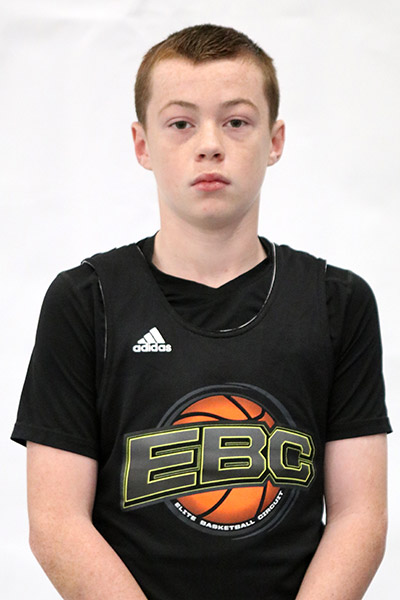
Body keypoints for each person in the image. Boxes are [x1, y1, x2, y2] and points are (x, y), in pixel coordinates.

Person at [12, 23, 391, 600]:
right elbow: (56, 524)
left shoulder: (337, 302)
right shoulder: (85, 301)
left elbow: (359, 517)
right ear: (143, 144)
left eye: (236, 121)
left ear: (275, 140)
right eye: (181, 123)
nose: (210, 144)